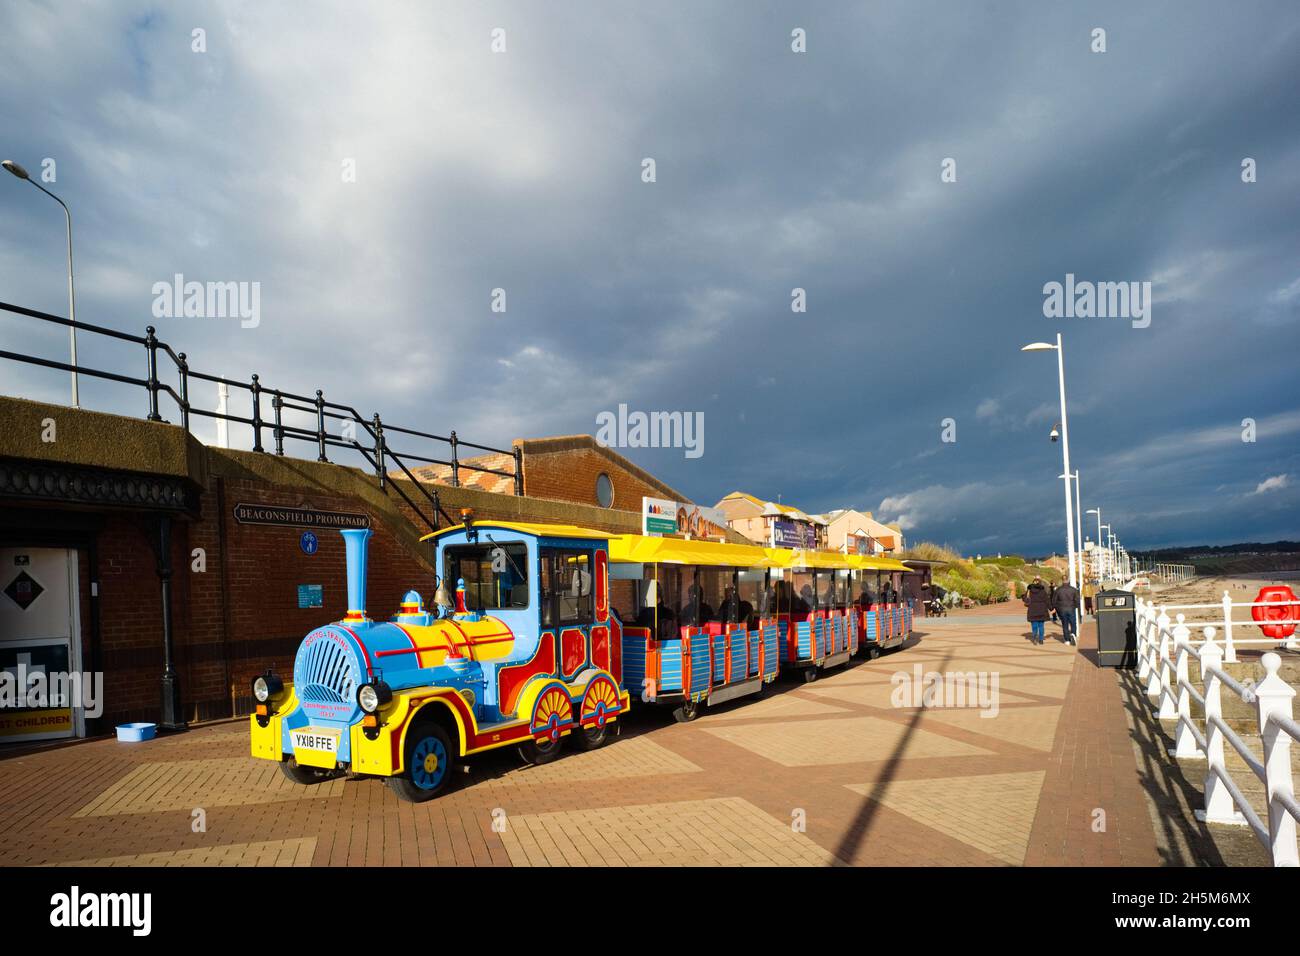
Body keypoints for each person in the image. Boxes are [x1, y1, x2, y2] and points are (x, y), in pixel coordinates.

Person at [1053, 579, 1081, 645]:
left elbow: (1054, 600)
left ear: (1062, 582)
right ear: (1069, 582)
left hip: (1062, 609)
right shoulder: (1073, 589)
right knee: (1073, 623)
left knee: (1065, 624)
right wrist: (1075, 606)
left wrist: (1057, 608)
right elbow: (1077, 599)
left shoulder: (1058, 590)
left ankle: (1067, 640)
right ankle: (1073, 633)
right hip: (1071, 608)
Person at [1023, 576, 1050, 645]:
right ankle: (1041, 639)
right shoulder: (1043, 591)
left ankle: (1034, 637)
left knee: (1034, 625)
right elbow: (1047, 601)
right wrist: (1051, 608)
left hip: (1032, 609)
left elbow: (1024, 598)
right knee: (1041, 625)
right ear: (1040, 583)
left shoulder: (1029, 591)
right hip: (1042, 609)